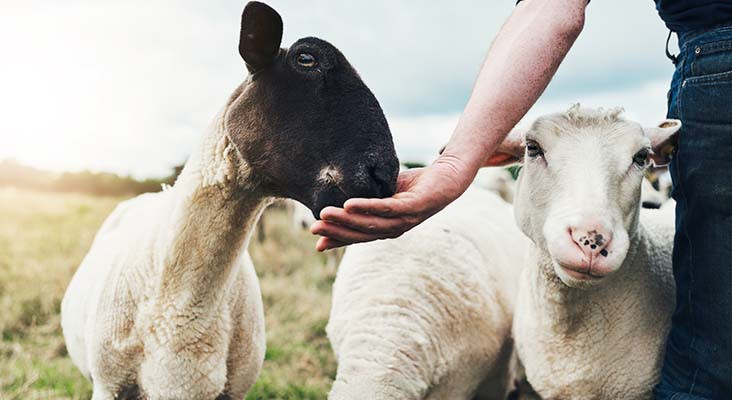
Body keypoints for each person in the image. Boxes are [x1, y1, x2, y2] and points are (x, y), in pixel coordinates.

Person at [311, 0, 732, 398]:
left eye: (640, 156)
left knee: (705, 364)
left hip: (712, 57)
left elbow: (552, 10)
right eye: (534, 151)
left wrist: (459, 160)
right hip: (708, 64)